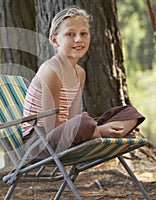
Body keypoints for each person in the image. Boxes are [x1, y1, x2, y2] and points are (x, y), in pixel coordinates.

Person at [22, 6, 145, 160]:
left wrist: (91, 127)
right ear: (54, 40)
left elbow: (73, 116)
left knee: (129, 113)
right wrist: (96, 129)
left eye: (83, 34)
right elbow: (51, 125)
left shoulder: (79, 73)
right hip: (41, 141)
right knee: (84, 122)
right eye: (70, 34)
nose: (78, 39)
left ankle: (107, 132)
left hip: (66, 132)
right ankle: (105, 133)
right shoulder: (51, 71)